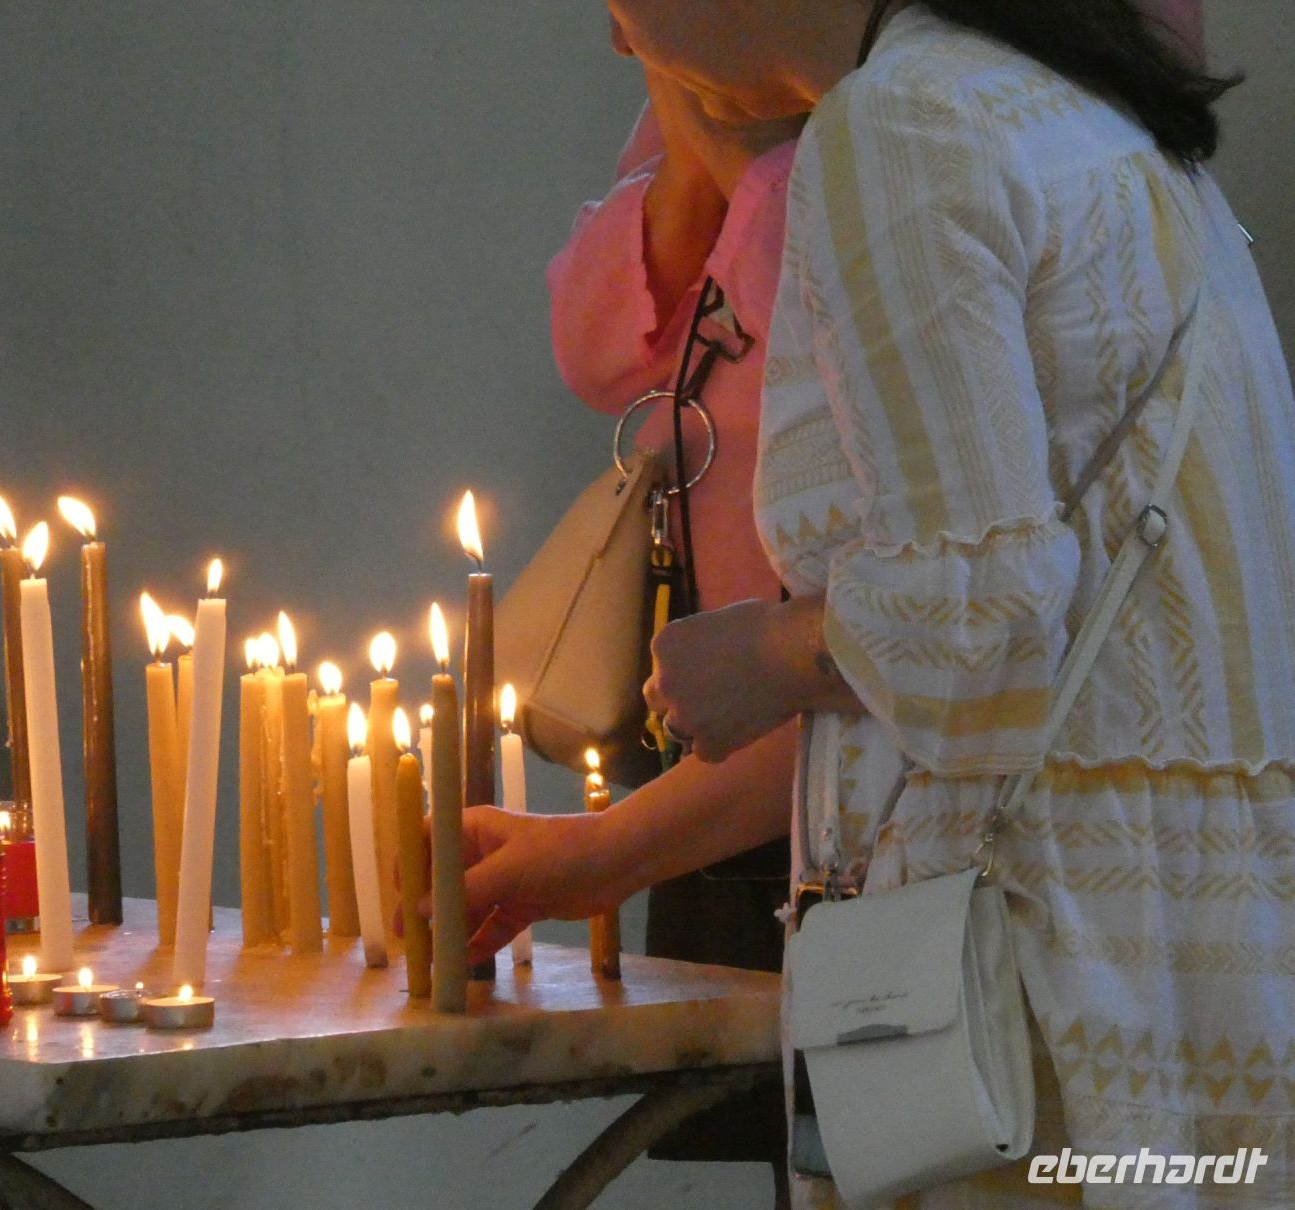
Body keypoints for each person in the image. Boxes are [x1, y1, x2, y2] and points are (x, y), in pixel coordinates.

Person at [461, 0, 1286, 1204]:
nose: (617, 33)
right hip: (1189, 973)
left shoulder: (899, 123)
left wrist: (768, 652)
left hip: (1030, 999)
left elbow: (979, 625)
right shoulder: (1083, 111)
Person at [546, 19, 804, 1182]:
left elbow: (780, 266)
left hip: (845, 722)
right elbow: (598, 345)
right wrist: (682, 87)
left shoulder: (884, 142)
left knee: (891, 1106)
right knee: (757, 1102)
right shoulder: (702, 114)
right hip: (720, 720)